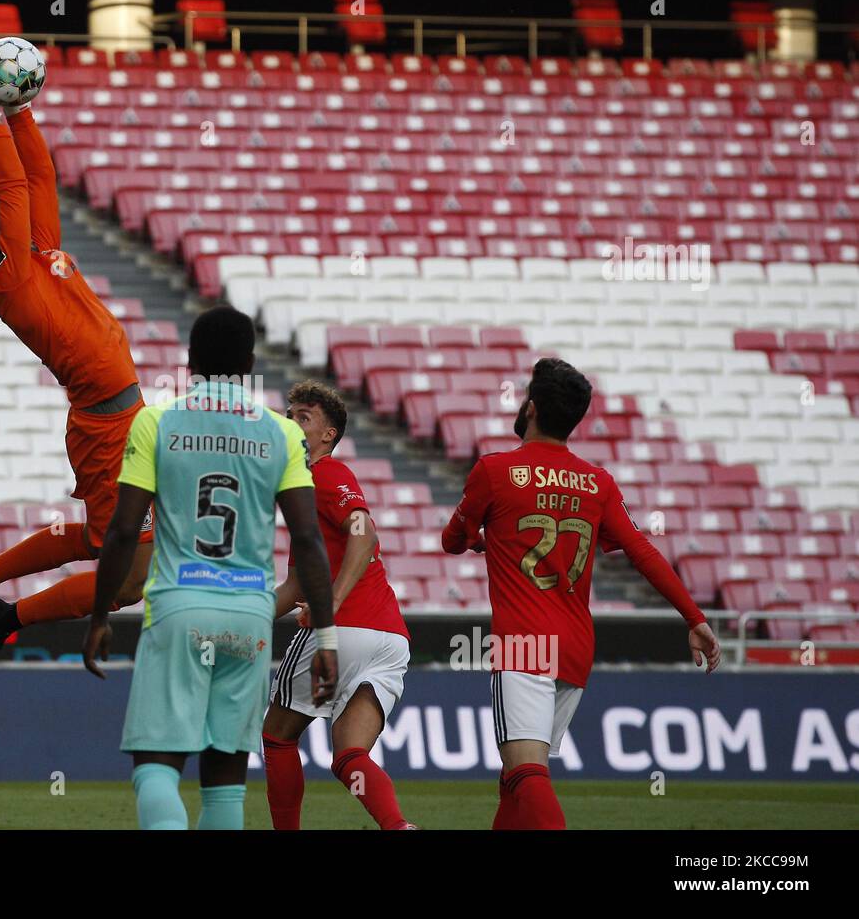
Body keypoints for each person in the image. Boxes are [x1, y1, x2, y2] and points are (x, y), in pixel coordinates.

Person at [0, 40, 152, 678]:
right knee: (130, 580)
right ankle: (7, 616)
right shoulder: (12, 282)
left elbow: (37, 180)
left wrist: (21, 112)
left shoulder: (35, 253)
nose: (19, 210)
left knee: (97, 543)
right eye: (7, 217)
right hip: (109, 428)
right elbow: (12, 183)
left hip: (118, 418)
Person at [82, 307, 339, 830]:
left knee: (156, 765)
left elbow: (125, 529)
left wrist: (99, 616)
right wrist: (328, 638)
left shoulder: (156, 421)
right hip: (249, 617)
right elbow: (309, 540)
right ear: (248, 363)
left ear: (191, 361)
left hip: (180, 607)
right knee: (224, 782)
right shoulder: (282, 435)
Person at [442, 357, 721, 829]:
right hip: (575, 646)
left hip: (525, 644)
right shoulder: (597, 482)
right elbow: (643, 551)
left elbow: (452, 541)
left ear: (530, 407)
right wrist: (694, 618)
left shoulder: (496, 470)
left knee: (527, 772)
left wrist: (484, 539)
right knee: (516, 778)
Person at [263, 380, 415, 830]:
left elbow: (364, 534)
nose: (292, 424)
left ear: (328, 434)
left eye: (303, 418)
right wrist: (244, 619)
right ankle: (399, 827)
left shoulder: (325, 473)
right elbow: (294, 587)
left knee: (277, 737)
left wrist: (330, 603)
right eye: (289, 416)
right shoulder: (301, 487)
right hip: (388, 638)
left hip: (343, 629)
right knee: (349, 755)